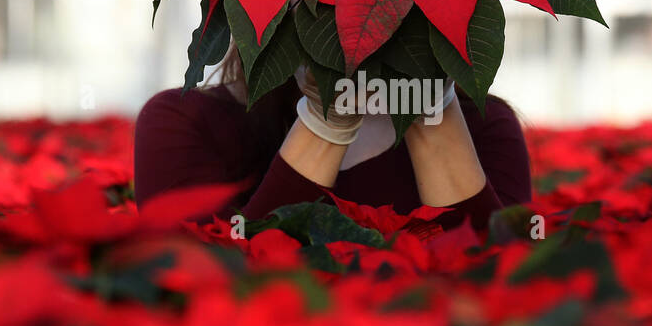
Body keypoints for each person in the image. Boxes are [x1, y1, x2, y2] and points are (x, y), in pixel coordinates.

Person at [133, 46, 531, 230]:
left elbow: (496, 285)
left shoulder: (484, 127)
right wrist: (325, 123)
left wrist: (430, 103)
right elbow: (204, 291)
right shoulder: (185, 123)